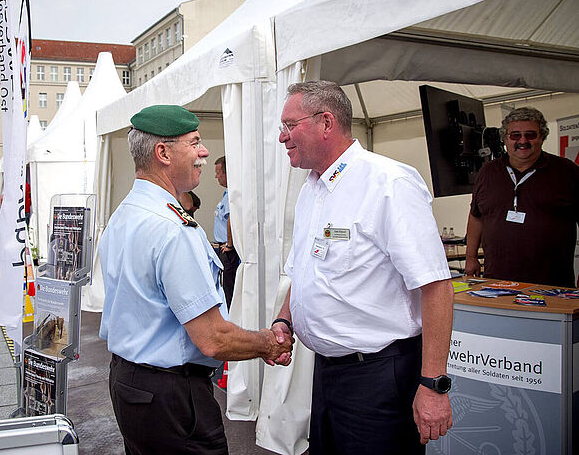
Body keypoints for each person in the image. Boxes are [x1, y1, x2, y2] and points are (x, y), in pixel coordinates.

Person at [271, 81, 454, 454]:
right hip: (327, 372)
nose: (281, 137)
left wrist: (433, 384)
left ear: (326, 122)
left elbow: (436, 287)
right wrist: (284, 321)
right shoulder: (311, 187)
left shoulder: (388, 183)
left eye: (290, 125)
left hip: (379, 378)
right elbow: (304, 271)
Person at [98, 105, 293, 455]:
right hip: (171, 397)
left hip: (130, 384)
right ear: (163, 153)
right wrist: (268, 343)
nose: (204, 153)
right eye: (195, 142)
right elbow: (213, 339)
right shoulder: (173, 229)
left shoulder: (125, 214)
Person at [465, 107, 579, 287]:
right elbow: (476, 216)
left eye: (530, 135)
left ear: (542, 137)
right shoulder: (488, 172)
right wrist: (471, 257)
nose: (523, 141)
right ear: (505, 139)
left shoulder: (567, 171)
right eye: (515, 135)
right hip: (497, 281)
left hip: (551, 284)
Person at [213, 156, 239, 309]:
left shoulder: (232, 195)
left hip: (228, 250)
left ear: (226, 173)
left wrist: (229, 244)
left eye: (218, 172)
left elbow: (232, 218)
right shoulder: (227, 194)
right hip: (223, 247)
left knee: (228, 288)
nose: (216, 176)